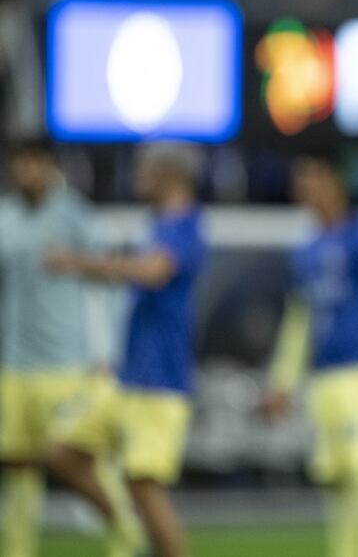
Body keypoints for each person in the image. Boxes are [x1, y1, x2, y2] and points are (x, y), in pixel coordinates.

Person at [44, 143, 206, 557]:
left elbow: (154, 272)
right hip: (127, 376)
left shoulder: (185, 225)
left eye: (144, 167)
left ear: (168, 173)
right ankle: (130, 534)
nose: (136, 175)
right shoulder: (156, 224)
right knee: (62, 452)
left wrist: (83, 264)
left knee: (145, 486)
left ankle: (142, 538)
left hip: (159, 382)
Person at [262, 151, 358, 557]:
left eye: (311, 176)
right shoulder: (306, 249)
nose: (303, 187)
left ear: (334, 182)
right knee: (337, 483)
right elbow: (300, 322)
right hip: (324, 378)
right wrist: (282, 380)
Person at [0, 138, 140, 557]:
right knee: (19, 469)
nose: (25, 172)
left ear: (49, 166)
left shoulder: (75, 217)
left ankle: (129, 542)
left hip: (68, 364)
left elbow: (110, 284)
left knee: (84, 464)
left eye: (32, 163)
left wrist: (108, 351)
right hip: (15, 365)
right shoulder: (5, 218)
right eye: (18, 163)